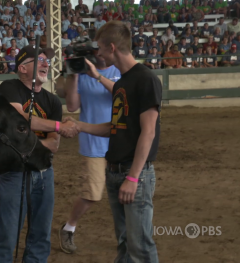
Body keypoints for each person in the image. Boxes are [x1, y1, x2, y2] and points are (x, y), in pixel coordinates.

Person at [63, 20, 161, 263]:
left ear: (112, 48)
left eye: (99, 47)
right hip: (116, 171)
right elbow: (115, 127)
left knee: (140, 246)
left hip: (131, 173)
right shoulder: (122, 83)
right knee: (126, 244)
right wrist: (79, 125)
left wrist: (132, 177)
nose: (97, 52)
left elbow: (148, 132)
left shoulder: (144, 79)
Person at [0, 44, 79, 263]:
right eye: (39, 60)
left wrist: (23, 142)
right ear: (22, 68)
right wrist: (57, 126)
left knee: (40, 235)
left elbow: (54, 146)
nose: (45, 64)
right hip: (14, 173)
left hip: (43, 172)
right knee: (8, 236)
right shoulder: (9, 88)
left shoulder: (53, 101)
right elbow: (20, 119)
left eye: (47, 61)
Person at [58, 41, 121, 254]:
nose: (98, 54)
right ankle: (69, 227)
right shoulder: (81, 75)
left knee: (123, 194)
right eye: (94, 51)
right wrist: (74, 74)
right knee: (92, 193)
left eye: (99, 49)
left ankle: (125, 236)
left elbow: (122, 95)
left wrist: (97, 76)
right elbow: (73, 106)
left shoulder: (119, 71)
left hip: (120, 142)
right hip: (93, 142)